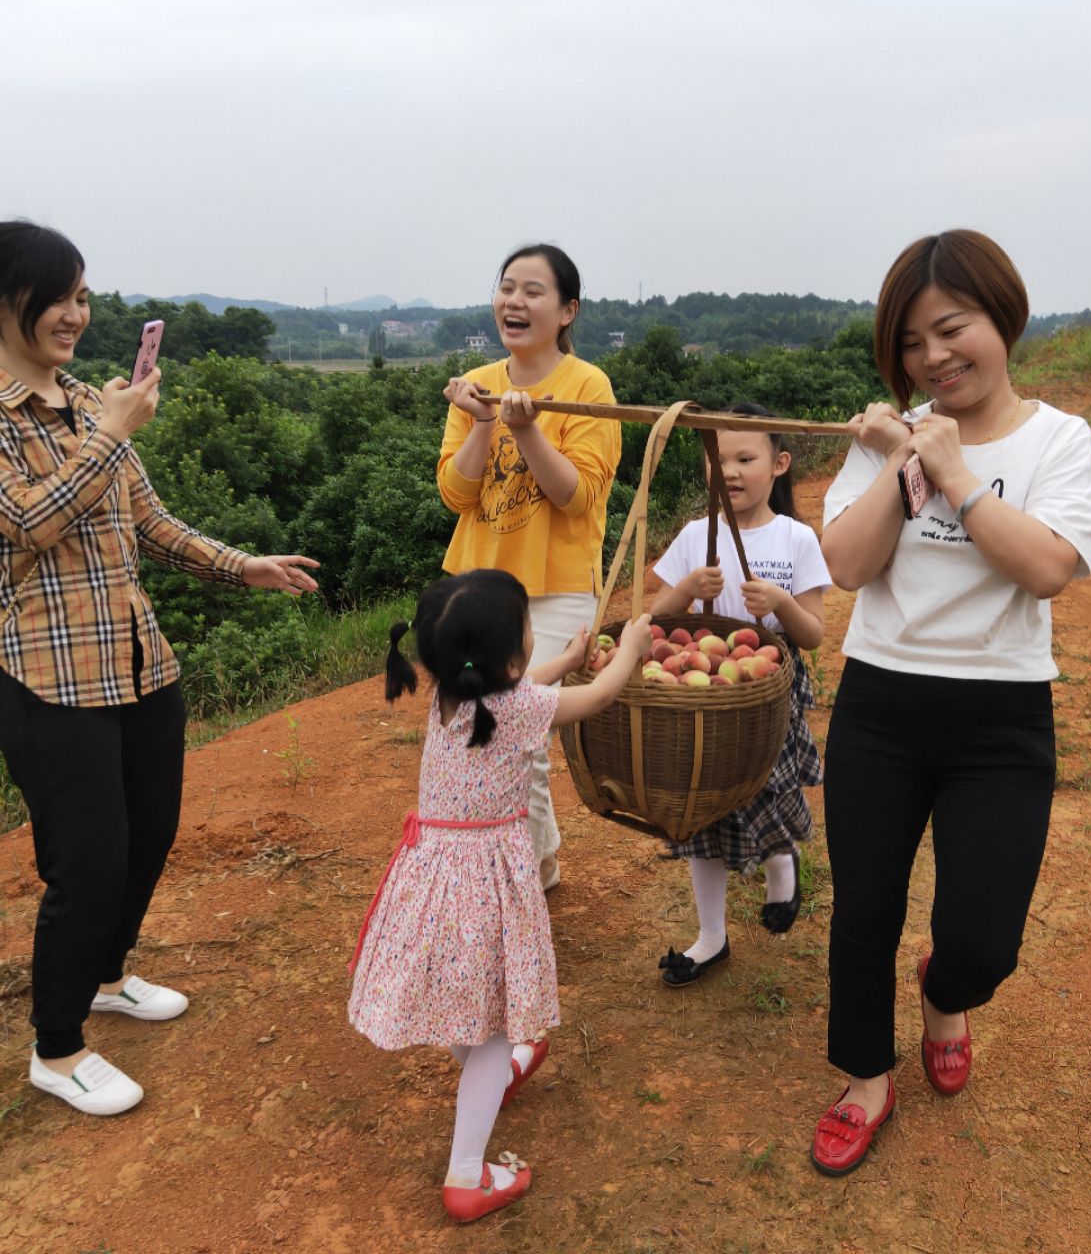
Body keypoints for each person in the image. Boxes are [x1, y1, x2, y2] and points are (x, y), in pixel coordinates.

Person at [0, 220, 321, 1116]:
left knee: (151, 834)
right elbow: (30, 520)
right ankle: (57, 1049)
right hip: (43, 670)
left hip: (138, 660)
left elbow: (149, 522)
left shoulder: (80, 402)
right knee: (88, 860)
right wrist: (108, 431)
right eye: (58, 298)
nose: (77, 314)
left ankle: (105, 975)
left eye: (82, 296)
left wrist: (242, 565)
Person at [811, 229, 1091, 1175]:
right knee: (864, 912)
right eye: (910, 343)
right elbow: (849, 567)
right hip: (880, 705)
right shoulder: (888, 438)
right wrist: (902, 463)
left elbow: (1049, 567)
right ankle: (864, 1077)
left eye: (952, 328)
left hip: (1000, 716)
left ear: (1000, 319)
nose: (933, 357)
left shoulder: (1059, 439)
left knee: (983, 936)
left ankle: (948, 992)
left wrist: (955, 472)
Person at [348, 570, 651, 1222]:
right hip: (482, 886)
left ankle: (500, 1070)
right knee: (489, 1031)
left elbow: (515, 686)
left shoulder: (449, 697)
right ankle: (466, 1175)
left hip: (431, 879)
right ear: (511, 659)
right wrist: (627, 651)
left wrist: (563, 658)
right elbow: (595, 698)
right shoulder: (519, 710)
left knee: (462, 1004)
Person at [437, 244, 622, 894]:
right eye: (506, 287)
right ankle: (525, 864)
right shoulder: (476, 383)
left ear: (568, 309)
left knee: (522, 739)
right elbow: (456, 495)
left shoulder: (587, 387)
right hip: (477, 589)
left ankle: (531, 876)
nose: (514, 301)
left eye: (533, 291)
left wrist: (530, 430)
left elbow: (576, 495)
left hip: (555, 589)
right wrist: (484, 421)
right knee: (474, 729)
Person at [644, 403, 830, 986]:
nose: (729, 470)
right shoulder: (697, 535)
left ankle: (781, 867)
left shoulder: (796, 538)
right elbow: (657, 619)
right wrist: (685, 590)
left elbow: (814, 636)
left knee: (766, 795)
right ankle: (711, 937)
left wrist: (780, 604)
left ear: (778, 463)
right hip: (702, 698)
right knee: (703, 810)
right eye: (718, 458)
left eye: (744, 458)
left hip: (770, 692)